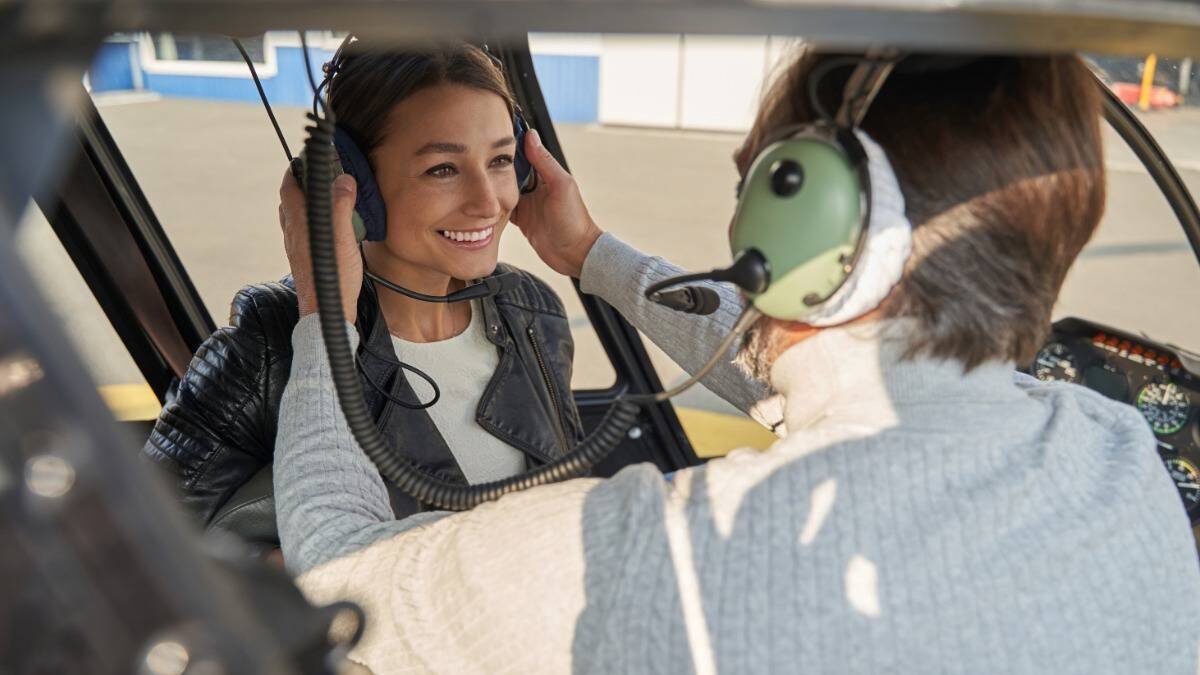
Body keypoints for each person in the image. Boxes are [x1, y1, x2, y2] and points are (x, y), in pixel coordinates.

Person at [274, 50, 1200, 673]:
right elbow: (848, 378)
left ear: (799, 218)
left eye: (759, 177)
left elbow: (332, 581)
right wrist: (590, 248)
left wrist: (322, 307)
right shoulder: (1118, 455)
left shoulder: (665, 558)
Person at [142, 41, 583, 541]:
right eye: (443, 169)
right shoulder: (264, 347)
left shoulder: (532, 312)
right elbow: (140, 554)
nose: (488, 203)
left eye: (501, 160)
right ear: (351, 181)